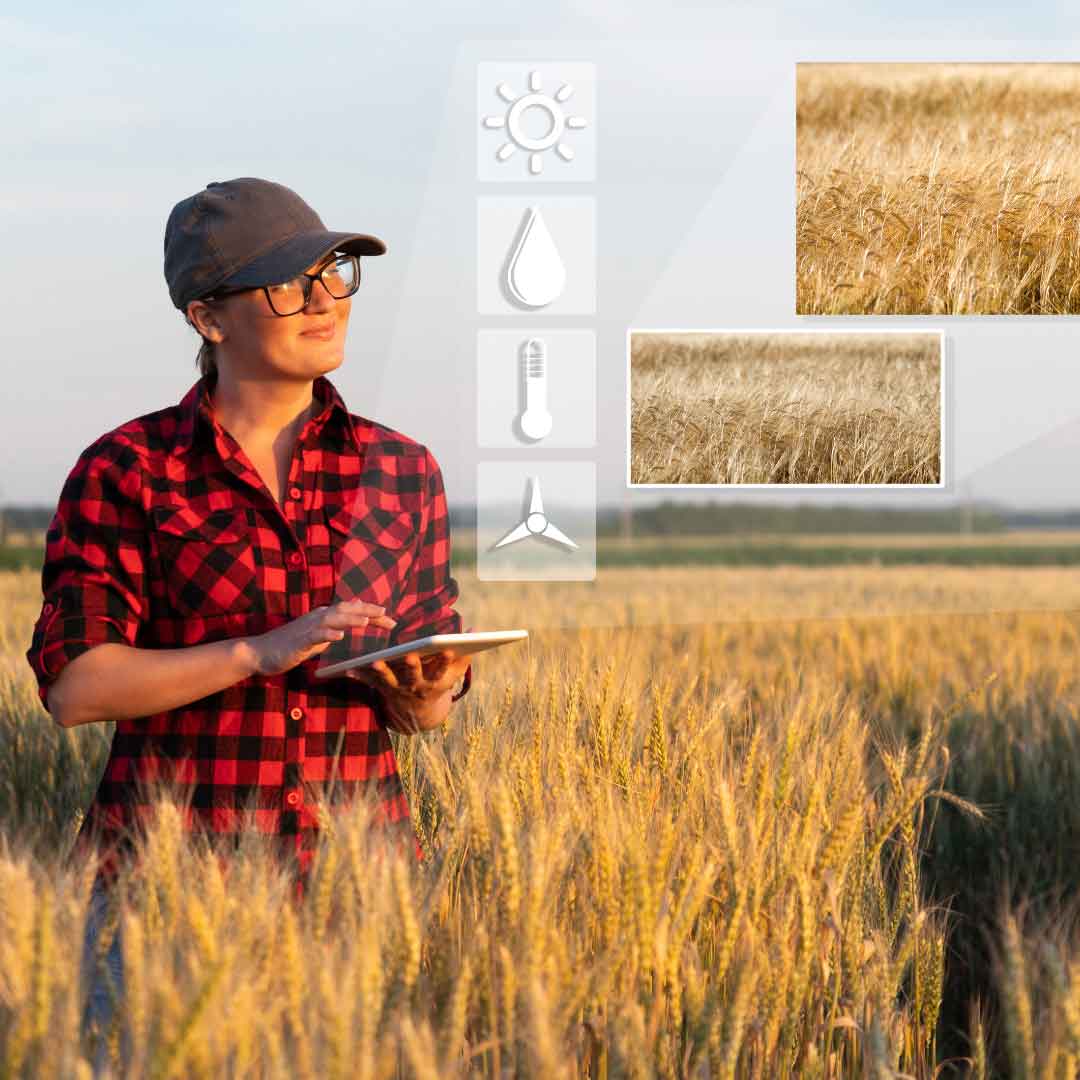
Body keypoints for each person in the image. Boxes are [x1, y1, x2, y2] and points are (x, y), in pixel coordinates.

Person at [25, 177, 473, 1069]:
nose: (321, 301)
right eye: (285, 284)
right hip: (164, 887)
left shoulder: (402, 469)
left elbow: (427, 707)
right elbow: (77, 687)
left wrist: (425, 696)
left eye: (332, 273)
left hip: (360, 886)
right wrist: (255, 652)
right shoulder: (128, 469)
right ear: (208, 318)